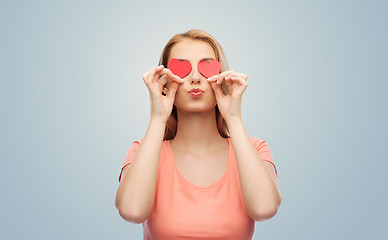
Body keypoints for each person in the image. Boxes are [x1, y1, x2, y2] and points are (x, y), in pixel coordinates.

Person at [115, 29, 282, 240]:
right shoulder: (143, 150)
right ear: (164, 81)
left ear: (222, 77)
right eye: (182, 69)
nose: (195, 78)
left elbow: (264, 208)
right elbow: (132, 211)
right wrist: (158, 116)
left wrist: (234, 118)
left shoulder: (255, 149)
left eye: (206, 67)